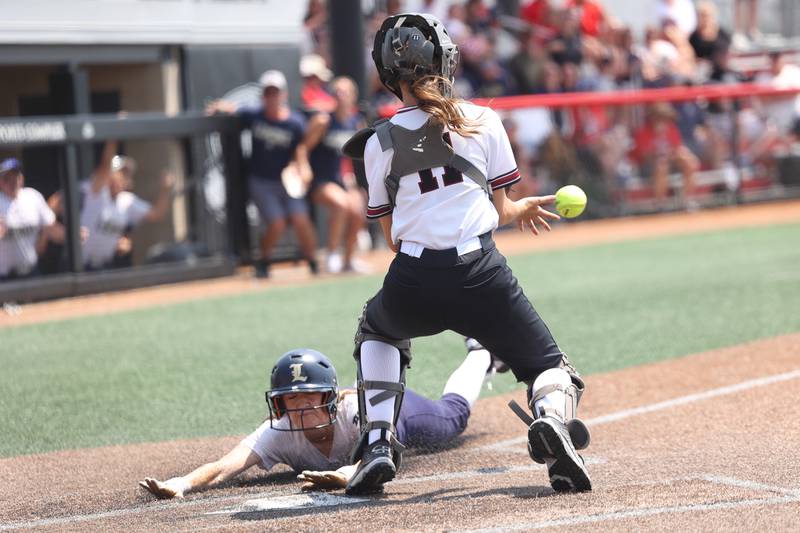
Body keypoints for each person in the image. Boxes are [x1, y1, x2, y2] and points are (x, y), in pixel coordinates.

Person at [340, 13, 591, 496]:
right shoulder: (484, 119)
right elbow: (496, 211)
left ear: (389, 77)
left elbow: (393, 238)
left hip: (414, 275)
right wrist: (519, 210)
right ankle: (553, 424)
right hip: (481, 272)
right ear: (444, 60)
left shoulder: (377, 142)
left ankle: (376, 444)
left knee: (378, 329)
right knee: (546, 366)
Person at [138, 340, 505, 498]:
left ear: (328, 398)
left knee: (453, 419)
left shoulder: (356, 411)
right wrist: (182, 483)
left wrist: (348, 473)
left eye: (307, 397)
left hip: (395, 408)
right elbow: (224, 467)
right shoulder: (280, 431)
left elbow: (377, 455)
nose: (299, 408)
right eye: (289, 400)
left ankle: (481, 353)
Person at [207, 70, 319, 278]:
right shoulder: (255, 115)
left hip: (287, 181)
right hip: (262, 181)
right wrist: (218, 107)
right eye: (268, 93)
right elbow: (233, 109)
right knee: (276, 223)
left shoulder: (294, 122)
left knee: (300, 218)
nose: (272, 97)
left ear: (284, 95)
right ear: (263, 96)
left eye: (276, 92)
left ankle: (313, 261)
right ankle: (264, 260)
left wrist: (302, 168)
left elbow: (301, 149)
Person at [305, 77, 369, 273]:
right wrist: (302, 170)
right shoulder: (323, 121)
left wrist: (352, 181)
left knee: (358, 209)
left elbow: (357, 156)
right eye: (337, 92)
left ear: (353, 97)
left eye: (345, 92)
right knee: (341, 204)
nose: (340, 96)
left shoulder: (356, 122)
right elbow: (302, 149)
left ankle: (348, 260)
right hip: (319, 180)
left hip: (342, 180)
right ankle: (332, 254)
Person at [78, 141, 174, 270]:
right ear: (110, 174)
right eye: (121, 173)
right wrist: (113, 136)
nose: (125, 178)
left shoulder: (126, 200)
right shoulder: (96, 191)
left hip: (103, 267)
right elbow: (106, 163)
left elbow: (157, 214)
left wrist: (165, 190)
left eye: (127, 174)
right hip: (79, 265)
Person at [0, 158, 64, 281]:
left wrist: (71, 236)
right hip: (4, 277)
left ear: (22, 178)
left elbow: (51, 228)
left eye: (16, 176)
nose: (13, 181)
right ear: (1, 181)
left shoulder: (32, 197)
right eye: (8, 178)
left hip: (30, 273)